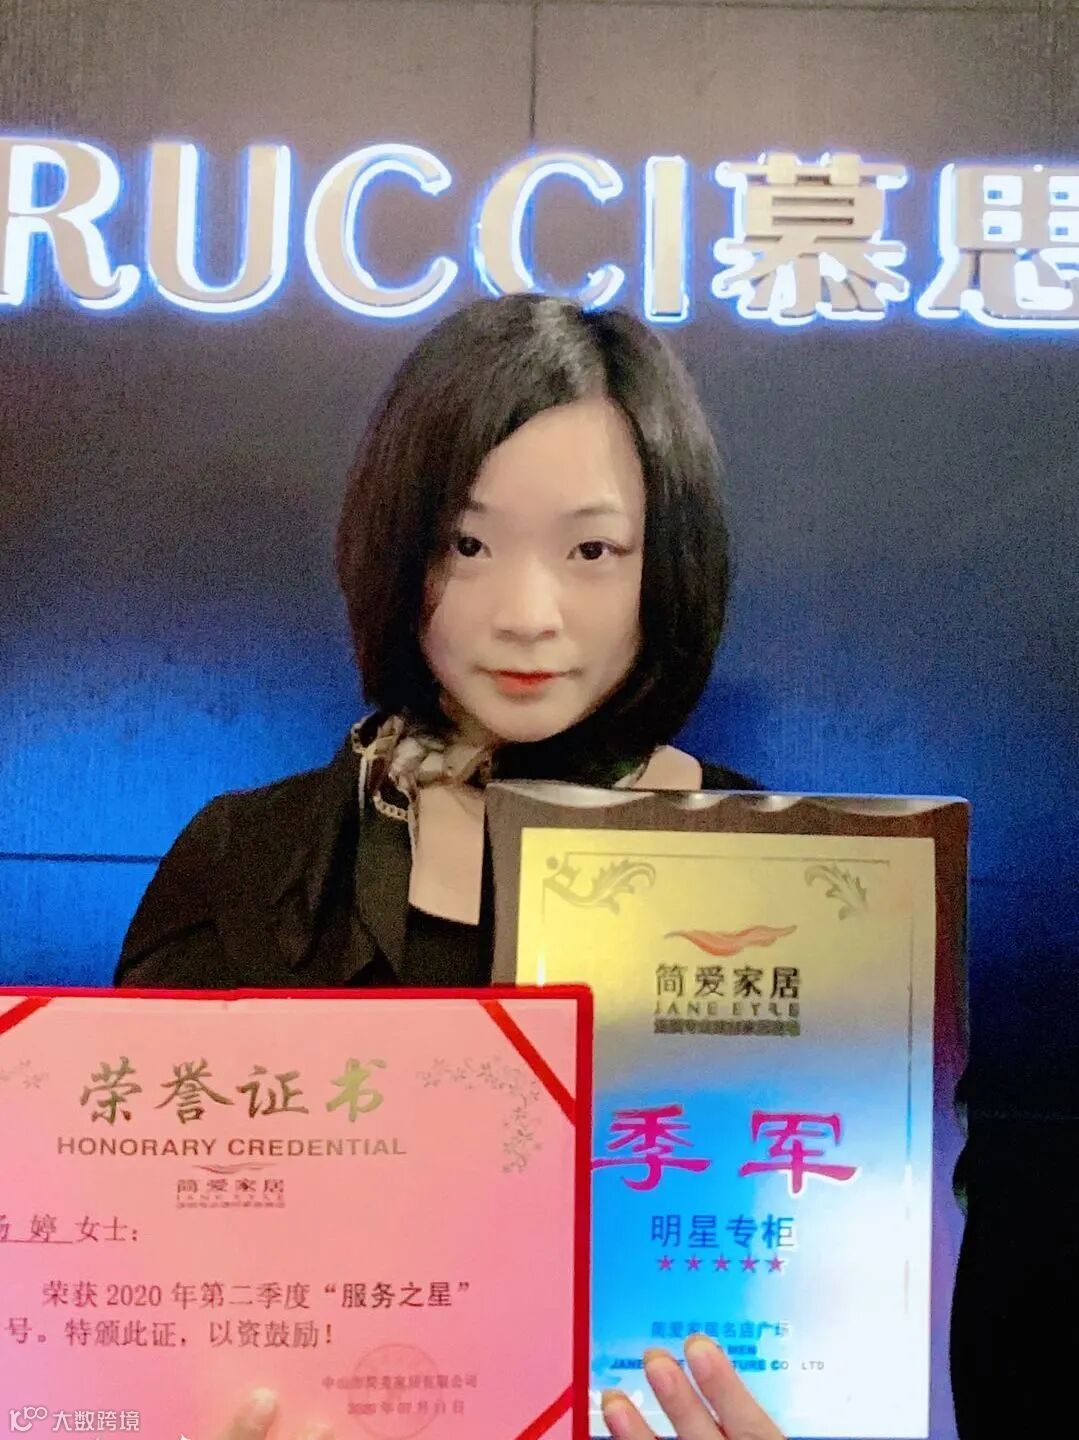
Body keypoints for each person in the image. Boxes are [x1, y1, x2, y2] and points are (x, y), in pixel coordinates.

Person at [116, 292, 785, 1438]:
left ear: (666, 561)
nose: (525, 614)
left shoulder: (788, 879)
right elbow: (129, 1259)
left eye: (590, 550)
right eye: (465, 545)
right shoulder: (245, 861)